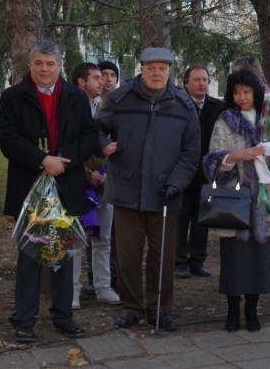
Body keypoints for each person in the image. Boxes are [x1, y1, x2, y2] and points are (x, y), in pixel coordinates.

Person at [0, 39, 98, 343]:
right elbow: (7, 138)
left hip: (65, 184)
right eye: (39, 63)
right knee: (30, 256)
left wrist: (63, 161)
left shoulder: (75, 97)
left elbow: (89, 136)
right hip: (31, 186)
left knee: (63, 254)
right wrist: (42, 160)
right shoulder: (13, 97)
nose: (44, 69)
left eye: (50, 63)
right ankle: (24, 320)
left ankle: (62, 317)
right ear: (30, 65)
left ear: (60, 66)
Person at [94, 47, 200, 331]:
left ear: (170, 71)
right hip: (127, 190)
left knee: (161, 257)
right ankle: (132, 308)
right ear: (141, 69)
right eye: (151, 67)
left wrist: (176, 183)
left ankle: (160, 310)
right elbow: (95, 129)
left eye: (163, 68)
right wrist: (103, 144)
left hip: (166, 192)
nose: (157, 73)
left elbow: (191, 152)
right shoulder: (120, 98)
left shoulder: (183, 105)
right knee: (127, 255)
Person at [202, 69, 270, 332]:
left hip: (263, 199)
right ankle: (232, 309)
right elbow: (211, 161)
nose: (241, 97)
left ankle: (252, 310)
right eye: (236, 92)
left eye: (246, 91)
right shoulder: (225, 120)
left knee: (258, 257)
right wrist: (234, 156)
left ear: (256, 92)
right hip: (235, 197)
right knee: (232, 257)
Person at [70, 62, 120, 306]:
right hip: (77, 183)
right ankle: (72, 292)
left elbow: (115, 144)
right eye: (97, 77)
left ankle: (103, 287)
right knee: (75, 240)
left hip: (104, 184)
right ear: (81, 81)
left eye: (104, 77)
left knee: (103, 238)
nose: (103, 82)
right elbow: (68, 148)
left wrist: (107, 173)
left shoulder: (105, 108)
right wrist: (87, 175)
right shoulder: (68, 107)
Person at [174, 65, 226, 279]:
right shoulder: (176, 105)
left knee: (201, 219)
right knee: (180, 219)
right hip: (182, 172)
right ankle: (179, 262)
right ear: (186, 83)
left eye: (205, 79)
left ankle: (197, 260)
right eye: (197, 80)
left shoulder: (218, 107)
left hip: (207, 172)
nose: (202, 83)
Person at [98, 60, 121, 289]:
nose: (107, 79)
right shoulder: (90, 105)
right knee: (93, 231)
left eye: (112, 74)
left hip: (114, 175)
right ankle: (94, 279)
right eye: (102, 74)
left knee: (112, 233)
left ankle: (111, 277)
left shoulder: (121, 104)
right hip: (91, 175)